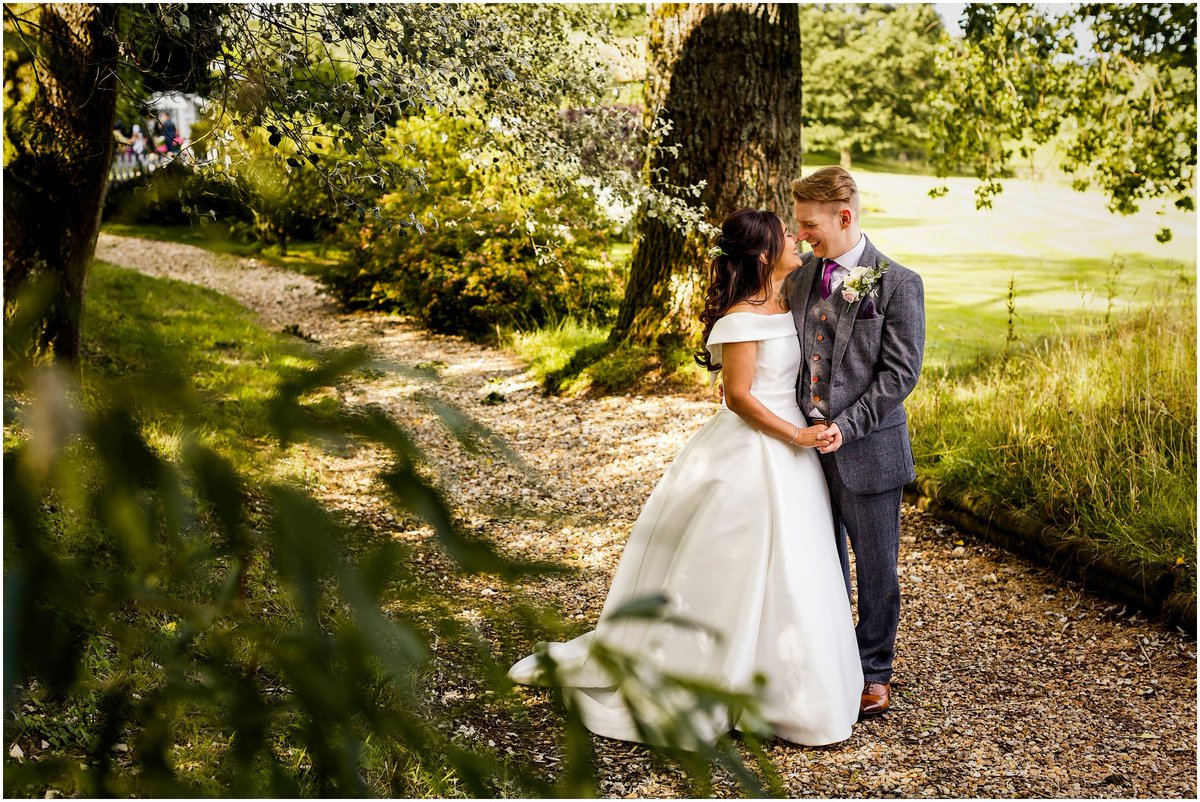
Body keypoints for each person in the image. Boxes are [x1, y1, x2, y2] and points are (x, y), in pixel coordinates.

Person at [509, 209, 863, 748]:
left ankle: (789, 687)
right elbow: (739, 398)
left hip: (795, 452)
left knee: (797, 564)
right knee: (733, 563)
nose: (796, 240)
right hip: (754, 451)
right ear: (765, 255)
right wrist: (796, 437)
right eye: (785, 236)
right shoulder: (741, 319)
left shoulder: (788, 301)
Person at [785, 166, 925, 718]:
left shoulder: (897, 282)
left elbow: (900, 374)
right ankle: (829, 663)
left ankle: (874, 672)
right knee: (822, 562)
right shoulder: (799, 279)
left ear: (844, 217)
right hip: (802, 454)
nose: (800, 237)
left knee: (875, 566)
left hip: (869, 450)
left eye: (809, 225)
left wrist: (850, 425)